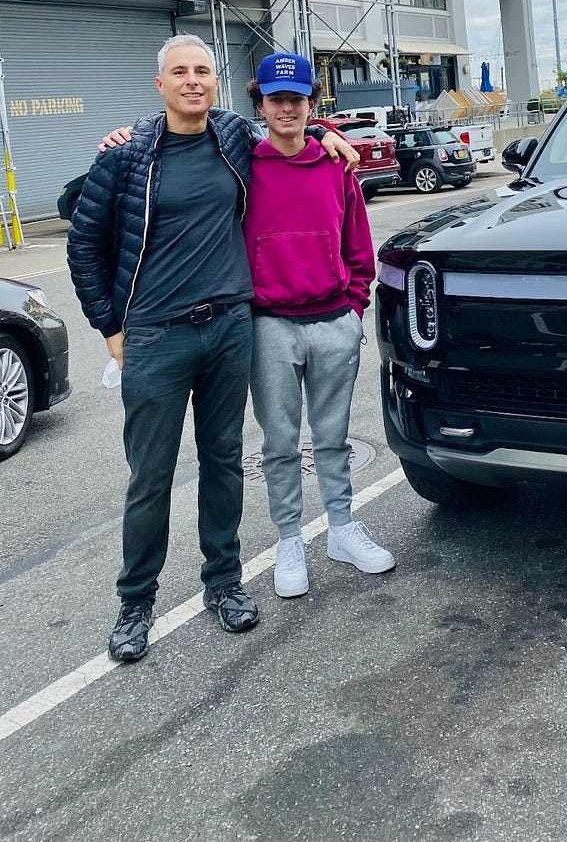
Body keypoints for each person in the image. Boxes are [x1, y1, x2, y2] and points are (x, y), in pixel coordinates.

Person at [67, 35, 357, 663]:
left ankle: (222, 583)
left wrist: (330, 129)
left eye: (203, 71)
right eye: (180, 72)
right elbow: (83, 243)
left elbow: (291, 122)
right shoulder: (129, 156)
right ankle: (135, 602)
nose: (193, 81)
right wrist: (109, 328)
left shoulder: (232, 139)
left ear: (215, 84)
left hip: (229, 326)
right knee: (151, 475)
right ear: (161, 84)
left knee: (223, 460)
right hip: (154, 333)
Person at [244, 52, 394, 598]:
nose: (287, 108)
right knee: (280, 441)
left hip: (333, 319)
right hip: (270, 326)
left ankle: (341, 527)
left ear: (311, 104)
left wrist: (355, 308)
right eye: (276, 99)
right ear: (260, 103)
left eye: (298, 99)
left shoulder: (337, 166)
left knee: (332, 436)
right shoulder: (242, 166)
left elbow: (359, 244)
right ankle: (288, 539)